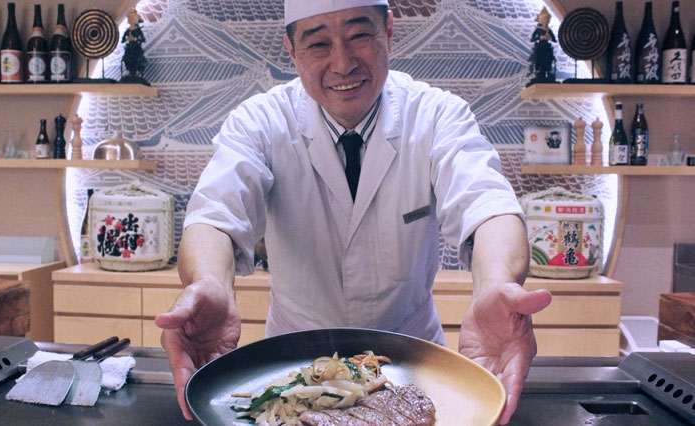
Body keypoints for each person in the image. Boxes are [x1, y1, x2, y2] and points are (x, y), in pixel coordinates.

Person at [155, 1, 552, 424]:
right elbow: (215, 215)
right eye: (319, 43)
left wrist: (495, 284)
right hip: (292, 370)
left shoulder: (437, 115)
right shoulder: (260, 121)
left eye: (359, 35)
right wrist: (209, 283)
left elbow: (488, 206)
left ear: (388, 31)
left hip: (413, 367)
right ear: (291, 50)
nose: (342, 64)